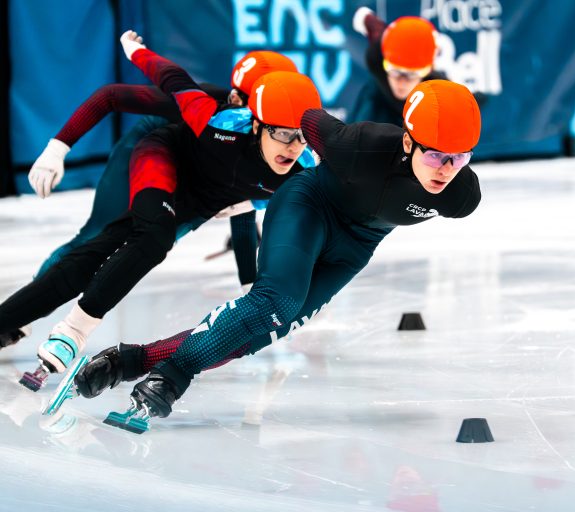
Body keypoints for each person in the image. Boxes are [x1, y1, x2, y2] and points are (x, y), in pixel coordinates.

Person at [75, 78, 482, 432]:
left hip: (355, 246)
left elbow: (445, 176)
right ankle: (170, 376)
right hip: (310, 207)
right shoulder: (361, 146)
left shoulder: (461, 196)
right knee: (274, 301)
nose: (445, 169)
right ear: (408, 142)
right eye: (434, 154)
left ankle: (131, 361)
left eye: (459, 157)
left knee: (265, 329)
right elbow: (308, 118)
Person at [0, 31, 321, 390]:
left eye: (299, 135)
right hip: (160, 152)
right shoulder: (215, 115)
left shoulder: (302, 163)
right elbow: (131, 89)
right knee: (113, 237)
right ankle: (56, 327)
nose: (292, 145)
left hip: (200, 198)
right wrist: (59, 145)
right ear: (257, 116)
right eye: (281, 131)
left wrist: (252, 284)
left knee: (137, 242)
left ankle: (13, 317)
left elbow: (256, 210)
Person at [29, 49, 300, 284]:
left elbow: (242, 202)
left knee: (149, 243)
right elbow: (111, 95)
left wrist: (248, 285)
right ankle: (27, 306)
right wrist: (58, 147)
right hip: (149, 149)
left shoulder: (272, 138)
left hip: (194, 171)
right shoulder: (208, 107)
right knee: (95, 236)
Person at [349, 10, 446, 125]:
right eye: (395, 71)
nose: (401, 82)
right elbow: (373, 26)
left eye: (411, 74)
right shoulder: (375, 58)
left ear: (428, 70)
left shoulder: (439, 92)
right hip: (379, 106)